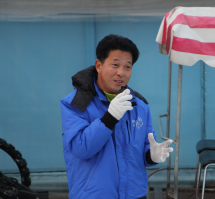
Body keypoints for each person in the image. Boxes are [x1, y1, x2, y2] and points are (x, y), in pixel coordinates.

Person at [60, 34, 173, 199]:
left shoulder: (139, 105)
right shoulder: (75, 104)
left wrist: (152, 155)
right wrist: (109, 118)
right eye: (115, 65)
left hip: (135, 194)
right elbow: (80, 148)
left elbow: (144, 147)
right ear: (99, 65)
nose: (121, 73)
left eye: (128, 67)